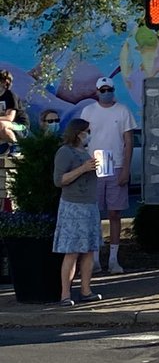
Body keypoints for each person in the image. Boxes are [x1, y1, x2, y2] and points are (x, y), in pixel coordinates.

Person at [81, 76, 135, 274]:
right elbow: (82, 137)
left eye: (108, 89)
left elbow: (128, 141)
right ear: (97, 92)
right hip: (94, 166)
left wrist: (126, 170)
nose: (106, 93)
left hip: (116, 165)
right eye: (102, 90)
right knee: (94, 213)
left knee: (114, 212)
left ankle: (113, 258)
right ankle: (94, 259)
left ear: (113, 89)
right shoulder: (88, 111)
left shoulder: (122, 111)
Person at [52, 118, 103, 306]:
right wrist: (82, 169)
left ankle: (86, 290)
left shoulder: (86, 152)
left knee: (89, 250)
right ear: (77, 133)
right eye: (86, 131)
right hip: (73, 206)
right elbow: (59, 180)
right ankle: (65, 294)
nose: (89, 134)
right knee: (72, 251)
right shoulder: (65, 152)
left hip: (89, 204)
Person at [0, 69, 26, 156]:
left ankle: (16, 146)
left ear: (4, 83)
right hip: (4, 128)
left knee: (1, 124)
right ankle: (4, 146)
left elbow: (9, 118)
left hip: (21, 127)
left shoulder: (10, 96)